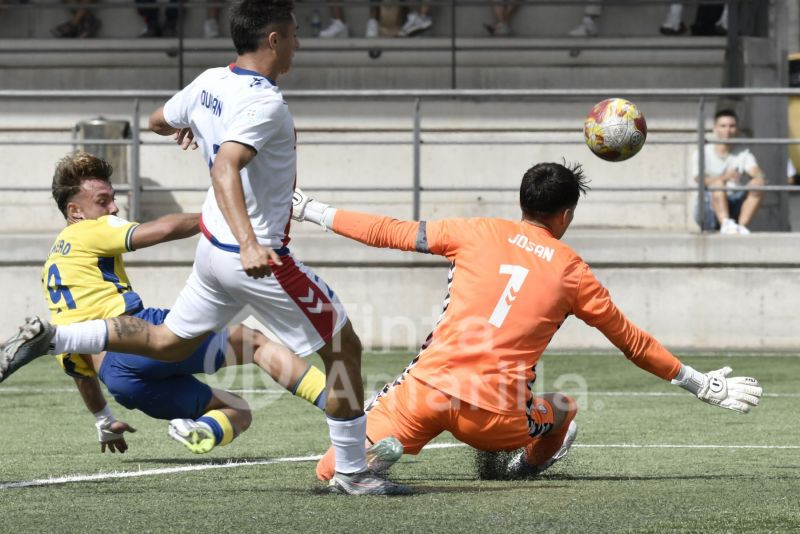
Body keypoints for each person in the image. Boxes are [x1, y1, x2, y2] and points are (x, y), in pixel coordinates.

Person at [0, 0, 407, 496]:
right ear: (273, 39)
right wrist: (251, 243)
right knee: (344, 350)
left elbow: (156, 120)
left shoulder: (210, 81)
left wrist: (188, 123)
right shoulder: (266, 104)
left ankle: (57, 338)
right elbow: (225, 167)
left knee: (167, 341)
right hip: (253, 256)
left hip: (212, 251)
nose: (298, 44)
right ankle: (353, 470)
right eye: (294, 34)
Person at [288, 162, 763, 482]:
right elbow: (632, 343)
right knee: (564, 409)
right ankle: (524, 467)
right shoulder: (573, 272)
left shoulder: (475, 232)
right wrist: (699, 383)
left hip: (425, 395)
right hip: (496, 419)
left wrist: (311, 210)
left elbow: (389, 232)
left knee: (331, 470)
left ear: (522, 202)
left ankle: (366, 461)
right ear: (566, 215)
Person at [41, 151, 329, 455]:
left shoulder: (53, 269)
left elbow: (78, 369)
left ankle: (201, 431)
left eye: (112, 199)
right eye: (102, 201)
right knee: (254, 343)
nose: (113, 208)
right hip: (137, 337)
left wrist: (103, 419)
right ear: (75, 211)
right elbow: (162, 229)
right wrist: (219, 218)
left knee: (237, 409)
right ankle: (342, 408)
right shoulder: (87, 229)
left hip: (120, 381)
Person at [693, 109, 766, 234]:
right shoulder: (704, 152)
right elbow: (698, 179)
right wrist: (724, 178)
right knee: (718, 184)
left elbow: (754, 169)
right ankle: (726, 223)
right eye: (723, 126)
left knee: (758, 185)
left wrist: (759, 177)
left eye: (731, 126)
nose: (727, 130)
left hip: (735, 202)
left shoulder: (743, 152)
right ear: (715, 128)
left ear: (737, 129)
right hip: (709, 207)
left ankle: (740, 227)